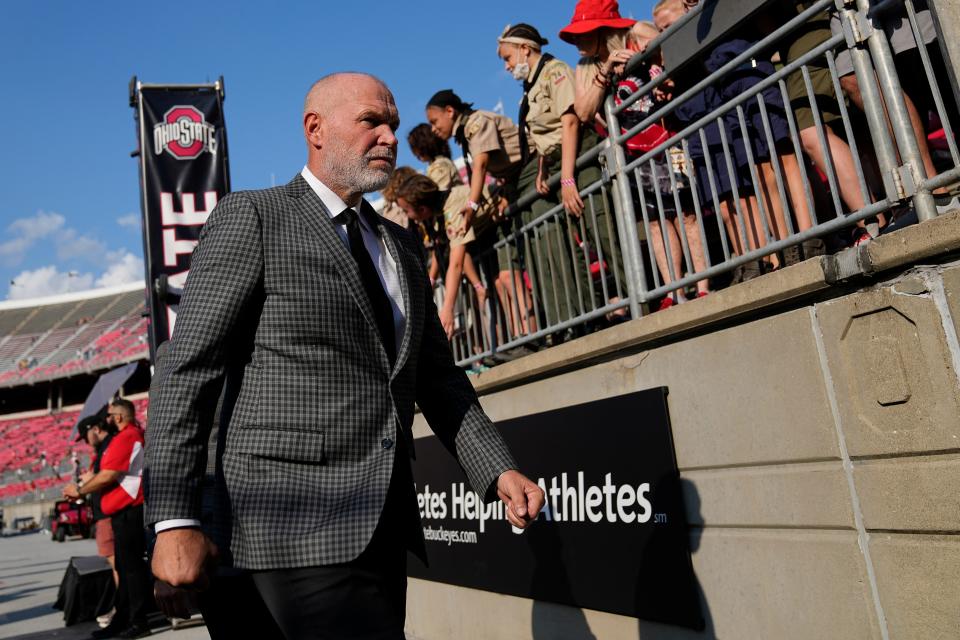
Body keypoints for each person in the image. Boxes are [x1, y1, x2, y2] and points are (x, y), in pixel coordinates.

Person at [145, 72, 545, 639]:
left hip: (381, 526)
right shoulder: (254, 217)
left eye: (394, 126)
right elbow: (187, 369)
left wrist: (496, 467)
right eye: (370, 122)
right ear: (315, 128)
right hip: (279, 524)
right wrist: (175, 518)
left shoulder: (401, 246)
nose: (388, 136)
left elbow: (438, 379)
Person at [425, 89, 537, 338]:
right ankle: (523, 336)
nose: (433, 129)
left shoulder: (476, 122)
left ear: (450, 112)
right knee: (500, 279)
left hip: (532, 167)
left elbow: (482, 164)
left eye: (434, 122)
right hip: (514, 180)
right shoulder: (465, 132)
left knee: (518, 272)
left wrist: (473, 205)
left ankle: (534, 333)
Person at [65, 398, 151, 639]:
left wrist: (80, 490)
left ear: (120, 417)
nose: (106, 419)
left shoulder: (128, 436)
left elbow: (109, 475)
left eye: (110, 414)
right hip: (121, 512)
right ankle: (124, 617)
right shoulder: (123, 437)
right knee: (124, 569)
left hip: (130, 511)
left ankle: (137, 619)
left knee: (131, 569)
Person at [76, 414, 120, 628]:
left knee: (116, 563)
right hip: (106, 512)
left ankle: (122, 608)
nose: (86, 441)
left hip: (109, 513)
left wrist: (81, 487)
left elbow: (107, 475)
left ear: (94, 429)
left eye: (85, 436)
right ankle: (123, 606)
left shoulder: (111, 444)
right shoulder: (106, 446)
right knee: (117, 563)